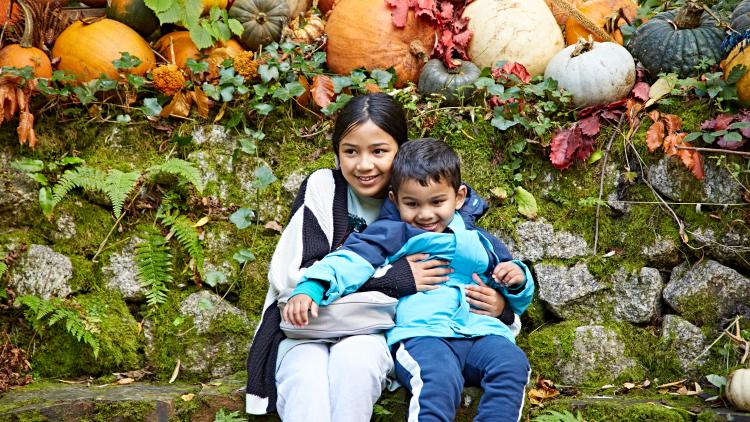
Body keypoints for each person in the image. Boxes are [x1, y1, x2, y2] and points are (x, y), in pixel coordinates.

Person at [244, 93, 513, 421]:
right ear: (337, 153)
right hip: (311, 325)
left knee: (356, 368)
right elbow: (294, 275)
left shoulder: (427, 201)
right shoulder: (324, 187)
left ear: (401, 151)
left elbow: (473, 268)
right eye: (350, 151)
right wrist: (394, 278)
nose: (364, 165)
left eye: (379, 151)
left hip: (370, 330)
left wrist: (501, 305)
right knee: (305, 380)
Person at [285, 138, 534, 422]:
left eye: (438, 201)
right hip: (422, 336)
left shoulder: (480, 240)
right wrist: (313, 286)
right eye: (412, 204)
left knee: (513, 364)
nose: (426, 214)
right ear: (394, 200)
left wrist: (516, 281)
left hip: (483, 333)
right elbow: (351, 260)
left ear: (460, 196)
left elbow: (512, 291)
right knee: (437, 380)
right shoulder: (392, 233)